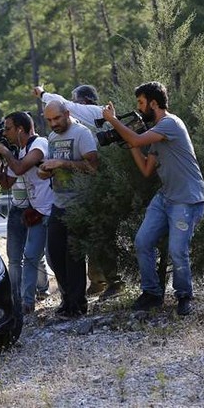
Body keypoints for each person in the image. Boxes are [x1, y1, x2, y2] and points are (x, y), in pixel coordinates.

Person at [102, 81, 204, 316]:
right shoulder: (156, 132)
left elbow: (139, 140)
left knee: (177, 249)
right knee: (142, 241)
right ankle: (152, 294)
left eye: (141, 103)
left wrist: (114, 121)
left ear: (153, 103)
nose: (139, 108)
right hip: (166, 196)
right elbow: (147, 170)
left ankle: (184, 296)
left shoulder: (170, 123)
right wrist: (128, 141)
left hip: (187, 199)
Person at [34, 84, 126, 300]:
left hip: (97, 181)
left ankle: (110, 281)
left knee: (99, 234)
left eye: (75, 100)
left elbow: (59, 101)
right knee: (93, 236)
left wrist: (42, 93)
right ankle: (98, 281)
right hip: (94, 181)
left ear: (83, 101)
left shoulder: (91, 114)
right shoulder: (100, 115)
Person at [38, 101, 99, 318]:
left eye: (57, 119)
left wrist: (63, 165)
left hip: (79, 204)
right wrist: (46, 171)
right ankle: (67, 300)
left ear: (67, 114)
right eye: (49, 120)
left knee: (73, 257)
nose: (53, 124)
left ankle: (77, 305)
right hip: (59, 202)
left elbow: (93, 167)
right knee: (54, 254)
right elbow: (53, 167)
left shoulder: (82, 134)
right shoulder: (53, 138)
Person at [0, 111, 54, 314]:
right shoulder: (18, 152)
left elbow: (19, 169)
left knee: (54, 258)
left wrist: (6, 153)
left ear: (20, 129)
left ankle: (67, 297)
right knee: (29, 257)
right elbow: (7, 183)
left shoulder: (39, 145)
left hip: (53, 211)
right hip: (37, 212)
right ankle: (26, 304)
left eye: (8, 129)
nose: (6, 133)